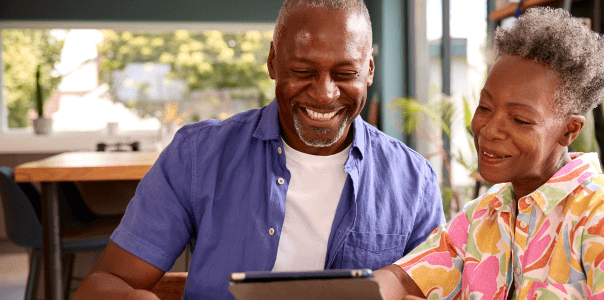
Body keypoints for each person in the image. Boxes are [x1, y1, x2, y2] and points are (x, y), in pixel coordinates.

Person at [74, 0, 445, 299]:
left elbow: (435, 290)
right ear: (272, 62)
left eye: (345, 74)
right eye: (303, 70)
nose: (325, 93)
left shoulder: (414, 181)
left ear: (369, 70)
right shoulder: (196, 157)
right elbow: (101, 283)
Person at [374, 7, 604, 300]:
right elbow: (403, 280)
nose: (489, 130)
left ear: (569, 130)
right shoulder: (483, 214)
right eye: (485, 108)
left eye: (520, 120)